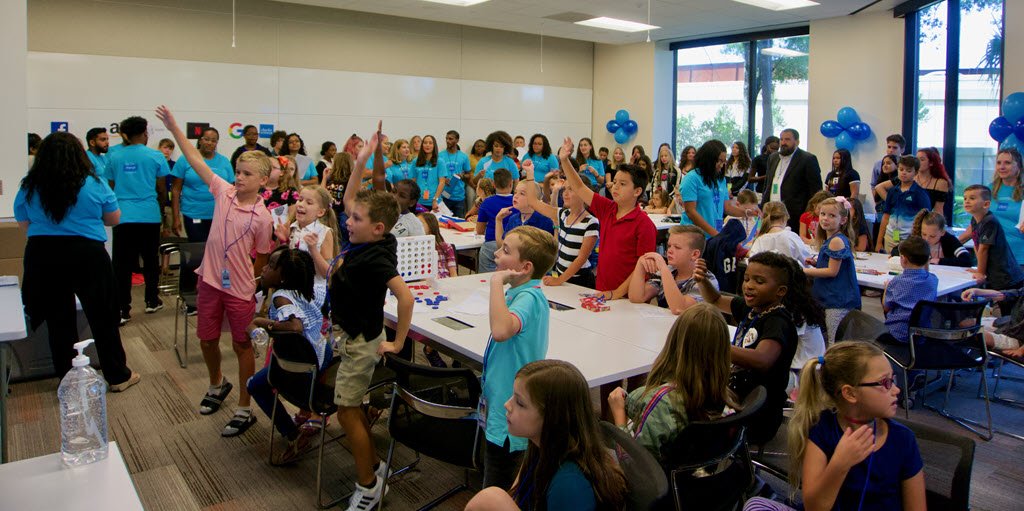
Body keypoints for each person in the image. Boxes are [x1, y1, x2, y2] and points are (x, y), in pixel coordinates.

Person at [156, 105, 275, 437]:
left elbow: (262, 257)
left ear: (263, 181)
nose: (239, 177)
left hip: (239, 288)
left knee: (242, 345)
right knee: (206, 340)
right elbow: (194, 158)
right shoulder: (223, 192)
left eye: (247, 174)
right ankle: (216, 383)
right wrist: (174, 127)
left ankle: (245, 407)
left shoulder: (263, 218)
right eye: (238, 171)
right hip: (209, 281)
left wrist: (250, 283)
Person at [326, 125, 414, 510]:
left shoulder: (376, 258)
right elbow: (350, 197)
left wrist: (398, 342)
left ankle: (368, 486)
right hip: (352, 335)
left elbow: (406, 297)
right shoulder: (367, 238)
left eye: (356, 219)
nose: (348, 220)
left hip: (362, 343)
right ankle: (374, 466)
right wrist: (363, 157)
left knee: (346, 412)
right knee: (350, 408)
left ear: (377, 228)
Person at [15, 132, 140, 392]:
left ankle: (68, 381)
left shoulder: (29, 186)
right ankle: (117, 376)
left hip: (43, 254)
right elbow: (113, 219)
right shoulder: (94, 183)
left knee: (58, 321)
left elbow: (24, 224)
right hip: (88, 254)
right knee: (103, 316)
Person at [743, 342, 925, 511]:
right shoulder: (822, 429)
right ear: (850, 393)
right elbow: (814, 507)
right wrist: (840, 464)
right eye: (885, 383)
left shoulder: (903, 440)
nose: (896, 390)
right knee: (754, 504)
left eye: (893, 380)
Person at [466, 360, 627, 511]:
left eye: (520, 403)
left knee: (492, 499)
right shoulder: (540, 448)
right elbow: (517, 497)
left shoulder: (569, 484)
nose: (507, 404)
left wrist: (495, 501)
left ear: (552, 418)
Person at [607, 303, 738, 467]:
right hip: (701, 474)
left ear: (675, 343)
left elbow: (635, 467)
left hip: (659, 478)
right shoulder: (726, 397)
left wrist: (619, 417)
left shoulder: (661, 403)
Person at [694, 251, 803, 446]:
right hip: (737, 399)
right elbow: (715, 300)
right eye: (746, 279)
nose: (749, 285)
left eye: (759, 281)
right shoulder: (752, 309)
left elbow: (762, 360)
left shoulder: (777, 322)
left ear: (780, 291)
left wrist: (715, 346)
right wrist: (702, 281)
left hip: (755, 415)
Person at [478, 226, 557, 490]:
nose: (496, 254)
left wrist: (495, 282)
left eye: (505, 250)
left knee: (498, 486)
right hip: (504, 402)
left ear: (525, 268)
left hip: (512, 412)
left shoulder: (529, 298)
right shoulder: (521, 293)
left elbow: (501, 331)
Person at [245, 247, 328, 462]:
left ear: (284, 276)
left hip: (304, 366)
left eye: (271, 266)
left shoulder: (280, 297)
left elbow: (295, 326)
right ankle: (304, 415)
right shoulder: (306, 289)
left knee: (254, 385)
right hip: (322, 353)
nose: (264, 268)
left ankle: (293, 434)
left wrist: (260, 322)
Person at [559, 137, 655, 300]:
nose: (615, 187)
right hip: (602, 292)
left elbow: (643, 269)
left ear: (637, 191)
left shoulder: (644, 225)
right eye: (615, 182)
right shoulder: (607, 208)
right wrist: (564, 160)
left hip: (627, 298)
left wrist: (617, 293)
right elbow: (579, 187)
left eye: (622, 184)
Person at [105, 116, 170, 323]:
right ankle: (152, 301)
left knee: (121, 264)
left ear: (125, 134)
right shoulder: (156, 156)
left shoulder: (114, 156)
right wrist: (161, 212)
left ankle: (122, 309)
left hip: (123, 216)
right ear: (144, 133)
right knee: (150, 260)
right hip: (149, 215)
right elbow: (162, 189)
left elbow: (111, 186)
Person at [518, 160, 598, 288]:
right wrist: (530, 173)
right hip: (562, 277)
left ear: (583, 193)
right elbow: (533, 202)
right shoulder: (562, 214)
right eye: (564, 189)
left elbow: (581, 258)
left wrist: (559, 280)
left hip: (580, 280)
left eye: (571, 189)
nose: (565, 193)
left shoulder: (591, 222)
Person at [805, 197, 861, 345]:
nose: (825, 218)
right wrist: (816, 263)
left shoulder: (836, 241)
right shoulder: (831, 239)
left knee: (833, 340)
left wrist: (804, 271)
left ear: (843, 220)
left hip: (837, 301)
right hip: (830, 298)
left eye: (832, 216)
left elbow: (832, 271)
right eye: (823, 214)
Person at [964, 184, 1024, 315]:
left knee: (1008, 313)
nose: (967, 201)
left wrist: (980, 272)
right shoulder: (974, 220)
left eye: (972, 198)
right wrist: (979, 268)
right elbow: (977, 244)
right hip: (995, 274)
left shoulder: (990, 221)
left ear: (986, 204)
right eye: (965, 198)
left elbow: (984, 249)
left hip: (1006, 276)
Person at [628, 225, 717, 313]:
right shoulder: (670, 270)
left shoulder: (705, 281)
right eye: (669, 246)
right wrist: (641, 264)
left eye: (677, 247)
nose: (669, 250)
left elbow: (679, 309)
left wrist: (663, 267)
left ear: (694, 254)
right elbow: (636, 297)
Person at [275, 186, 339, 307]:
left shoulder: (323, 232)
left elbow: (327, 273)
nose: (301, 204)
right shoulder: (291, 228)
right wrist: (283, 241)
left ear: (320, 212)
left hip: (312, 294)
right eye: (300, 199)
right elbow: (280, 263)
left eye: (309, 203)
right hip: (289, 289)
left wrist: (313, 250)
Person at [678, 140, 755, 238]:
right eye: (719, 161)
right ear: (708, 159)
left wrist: (747, 212)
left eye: (724, 161)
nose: (722, 165)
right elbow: (691, 212)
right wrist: (716, 235)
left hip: (713, 235)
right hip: (693, 236)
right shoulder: (692, 178)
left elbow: (727, 207)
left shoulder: (720, 180)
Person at [171, 126, 233, 242]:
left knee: (215, 250)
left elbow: (232, 190)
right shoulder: (185, 159)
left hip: (219, 216)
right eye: (206, 139)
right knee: (197, 249)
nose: (210, 143)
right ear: (200, 141)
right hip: (193, 214)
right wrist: (176, 218)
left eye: (213, 140)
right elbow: (175, 190)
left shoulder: (224, 161)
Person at [961, 148, 1024, 260]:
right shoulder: (989, 189)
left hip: (1019, 256)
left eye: (1007, 163)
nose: (1002, 167)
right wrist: (951, 244)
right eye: (999, 163)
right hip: (991, 256)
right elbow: (976, 223)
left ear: (1018, 166)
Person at [761, 128, 823, 232]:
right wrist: (762, 206)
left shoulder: (807, 159)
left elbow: (815, 190)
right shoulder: (773, 157)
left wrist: (809, 213)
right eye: (781, 139)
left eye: (787, 139)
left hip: (794, 214)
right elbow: (767, 184)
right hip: (771, 212)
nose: (783, 143)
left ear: (797, 142)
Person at [883, 236, 938, 344]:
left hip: (896, 334)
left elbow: (886, 308)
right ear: (928, 259)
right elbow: (927, 273)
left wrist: (886, 288)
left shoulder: (897, 281)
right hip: (921, 335)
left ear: (903, 259)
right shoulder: (933, 280)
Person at [876, 156, 932, 254]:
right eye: (901, 169)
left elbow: (925, 219)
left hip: (910, 239)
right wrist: (879, 242)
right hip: (891, 236)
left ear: (916, 172)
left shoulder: (920, 193)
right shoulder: (892, 191)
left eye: (908, 171)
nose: (904, 173)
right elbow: (886, 217)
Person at [877, 147, 949, 215]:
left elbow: (938, 210)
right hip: (902, 217)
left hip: (925, 219)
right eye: (917, 159)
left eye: (922, 159)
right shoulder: (907, 176)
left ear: (931, 163)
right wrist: (893, 203)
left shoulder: (940, 182)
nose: (918, 162)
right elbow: (879, 187)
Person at [961, 286, 1024, 360]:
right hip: (1007, 324)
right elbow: (1003, 295)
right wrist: (976, 292)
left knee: (972, 333)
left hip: (1018, 340)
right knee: (965, 324)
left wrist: (1020, 351)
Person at [892, 209, 972, 267]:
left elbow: (966, 260)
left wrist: (940, 261)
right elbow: (896, 250)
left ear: (942, 232)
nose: (926, 239)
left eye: (932, 236)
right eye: (924, 234)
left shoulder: (949, 240)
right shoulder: (917, 238)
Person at [494, 181, 555, 250]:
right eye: (515, 192)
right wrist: (498, 220)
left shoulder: (545, 221)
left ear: (534, 199)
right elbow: (503, 247)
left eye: (522, 193)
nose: (515, 196)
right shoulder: (513, 219)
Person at [475, 169, 515, 273]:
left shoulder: (487, 202)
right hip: (513, 245)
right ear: (511, 183)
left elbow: (479, 230)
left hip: (491, 243)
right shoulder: (517, 202)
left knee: (486, 278)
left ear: (493, 184)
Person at [748, 201, 812, 265]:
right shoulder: (792, 236)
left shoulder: (759, 240)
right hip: (789, 271)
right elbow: (806, 259)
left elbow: (752, 261)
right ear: (785, 217)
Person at [439, 130, 472, 217]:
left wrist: (462, 176)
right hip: (444, 195)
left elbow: (469, 175)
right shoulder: (440, 156)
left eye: (450, 139)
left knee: (460, 222)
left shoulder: (464, 157)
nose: (447, 141)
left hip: (459, 196)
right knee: (443, 222)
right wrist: (443, 180)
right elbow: (435, 174)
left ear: (457, 140)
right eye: (446, 138)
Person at [414, 134, 446, 212]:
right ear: (422, 145)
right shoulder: (415, 161)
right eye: (425, 143)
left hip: (434, 202)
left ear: (434, 146)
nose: (427, 145)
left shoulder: (440, 162)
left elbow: (442, 182)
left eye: (430, 143)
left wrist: (435, 199)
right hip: (419, 201)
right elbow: (413, 181)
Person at [322, 151, 352, 223]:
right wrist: (324, 178)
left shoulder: (349, 179)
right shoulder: (331, 178)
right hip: (329, 211)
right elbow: (321, 193)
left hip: (342, 213)